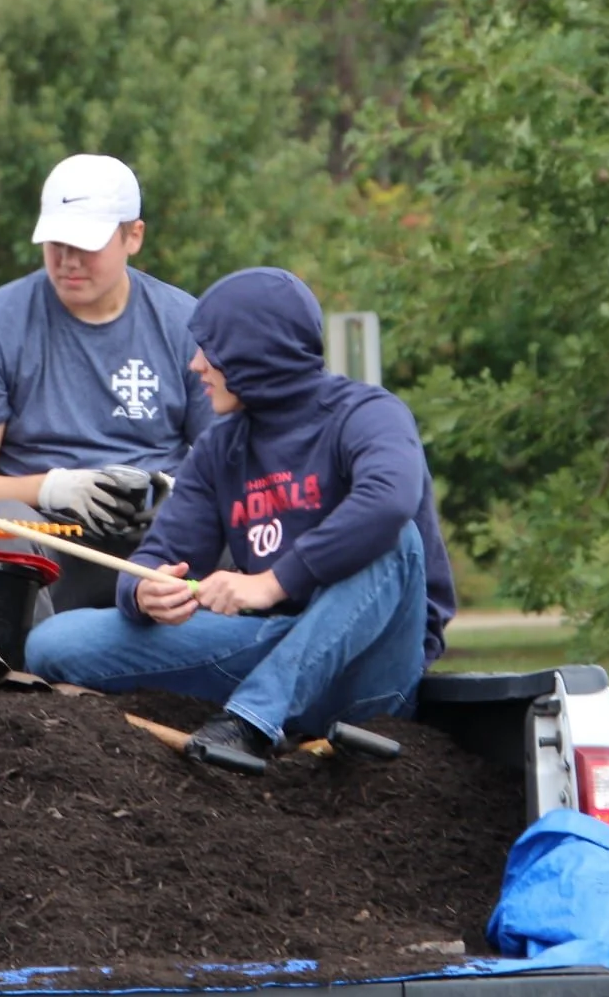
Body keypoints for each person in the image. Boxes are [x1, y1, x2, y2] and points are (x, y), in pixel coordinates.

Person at [23, 268, 457, 766]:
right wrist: (143, 592)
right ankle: (265, 706)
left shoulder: (369, 413)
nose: (195, 365)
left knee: (396, 539)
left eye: (210, 349)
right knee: (54, 643)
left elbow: (389, 501)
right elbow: (162, 553)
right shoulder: (219, 447)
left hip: (370, 670)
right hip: (269, 645)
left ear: (255, 353)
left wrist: (273, 583)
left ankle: (250, 721)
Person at [0, 153, 213, 612]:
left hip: (160, 538)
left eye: (86, 246)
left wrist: (172, 490)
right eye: (56, 243)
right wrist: (54, 488)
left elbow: (229, 460)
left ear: (133, 236)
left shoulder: (185, 321)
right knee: (1, 522)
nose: (68, 261)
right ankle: (38, 648)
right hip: (47, 537)